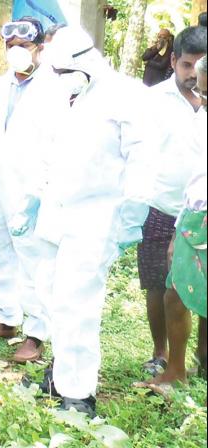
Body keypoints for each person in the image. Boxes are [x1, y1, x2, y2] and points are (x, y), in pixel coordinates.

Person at [28, 27, 151, 417]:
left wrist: (133, 215)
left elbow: (142, 160)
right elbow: (48, 150)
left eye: (64, 71)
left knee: (76, 304)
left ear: (85, 62)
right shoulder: (64, 93)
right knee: (49, 296)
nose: (58, 78)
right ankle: (59, 374)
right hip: (54, 212)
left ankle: (79, 393)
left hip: (96, 218)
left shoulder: (126, 95)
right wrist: (31, 197)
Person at [0, 17, 67, 363]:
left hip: (32, 183)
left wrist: (44, 191)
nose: (16, 53)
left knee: (33, 258)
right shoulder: (0, 86)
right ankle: (6, 317)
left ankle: (36, 332)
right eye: (10, 47)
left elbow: (57, 143)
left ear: (39, 48)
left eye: (23, 47)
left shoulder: (54, 88)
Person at [138, 25, 206, 377]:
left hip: (203, 213)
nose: (194, 74)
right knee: (158, 283)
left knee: (202, 288)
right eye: (187, 65)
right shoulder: (154, 101)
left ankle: (201, 358)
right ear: (174, 61)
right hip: (162, 206)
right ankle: (160, 353)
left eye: (201, 65)